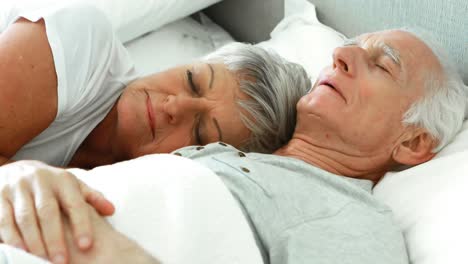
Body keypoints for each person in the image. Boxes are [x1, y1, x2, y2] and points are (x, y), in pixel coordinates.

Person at [1, 28, 466, 263]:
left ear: (415, 142)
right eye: (349, 47)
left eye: (382, 66)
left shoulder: (355, 223)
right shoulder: (234, 158)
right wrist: (19, 176)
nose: (340, 56)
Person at [0, 3, 310, 168]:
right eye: (192, 81)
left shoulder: (135, 201)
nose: (175, 106)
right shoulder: (80, 40)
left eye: (199, 133)